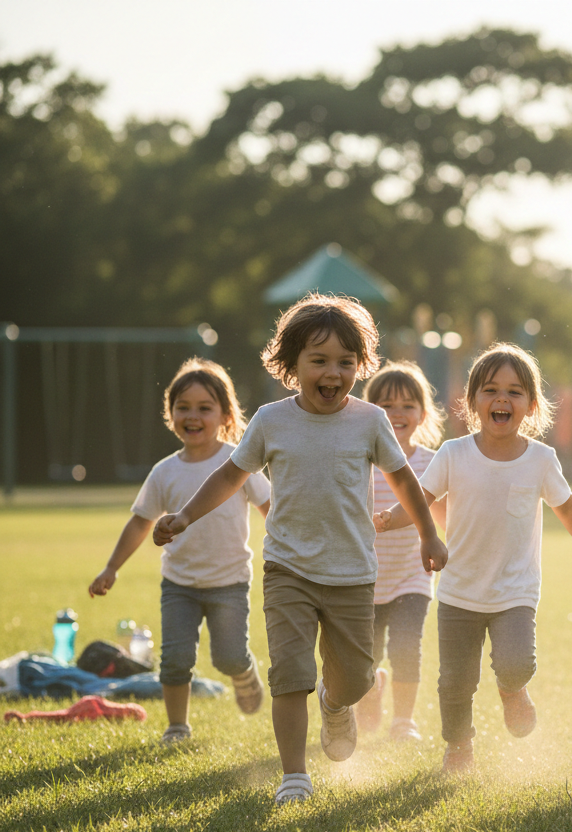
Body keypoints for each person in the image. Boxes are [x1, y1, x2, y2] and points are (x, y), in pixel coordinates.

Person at [153, 295, 446, 804]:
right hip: (287, 568)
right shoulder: (271, 421)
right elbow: (229, 475)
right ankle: (294, 776)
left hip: (353, 573)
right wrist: (183, 516)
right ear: (291, 366)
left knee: (355, 678)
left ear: (360, 365)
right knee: (291, 672)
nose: (333, 372)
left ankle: (337, 705)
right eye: (319, 361)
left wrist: (428, 533)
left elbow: (404, 480)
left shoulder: (370, 420)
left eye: (346, 362)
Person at [375, 343, 572, 772]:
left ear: (530, 406)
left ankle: (512, 690)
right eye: (490, 390)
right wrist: (385, 520)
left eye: (515, 391)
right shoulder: (453, 454)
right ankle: (459, 745)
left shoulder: (541, 460)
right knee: (454, 682)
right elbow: (419, 499)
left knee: (517, 661)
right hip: (458, 592)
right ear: (472, 403)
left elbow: (569, 510)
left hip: (515, 591)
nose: (502, 399)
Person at [89, 357, 271, 744]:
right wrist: (111, 567)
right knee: (175, 660)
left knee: (229, 657)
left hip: (229, 583)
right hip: (179, 585)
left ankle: (244, 675)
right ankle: (177, 725)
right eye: (182, 407)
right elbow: (140, 521)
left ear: (225, 414)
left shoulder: (239, 461)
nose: (192, 415)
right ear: (169, 414)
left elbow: (271, 507)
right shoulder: (164, 472)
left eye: (204, 408)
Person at [356, 360, 447, 742]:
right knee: (366, 656)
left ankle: (404, 720)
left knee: (408, 646)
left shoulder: (430, 462)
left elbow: (443, 517)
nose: (397, 413)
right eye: (386, 405)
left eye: (407, 405)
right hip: (364, 577)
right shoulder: (360, 458)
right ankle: (371, 688)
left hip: (413, 574)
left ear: (423, 413)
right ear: (369, 411)